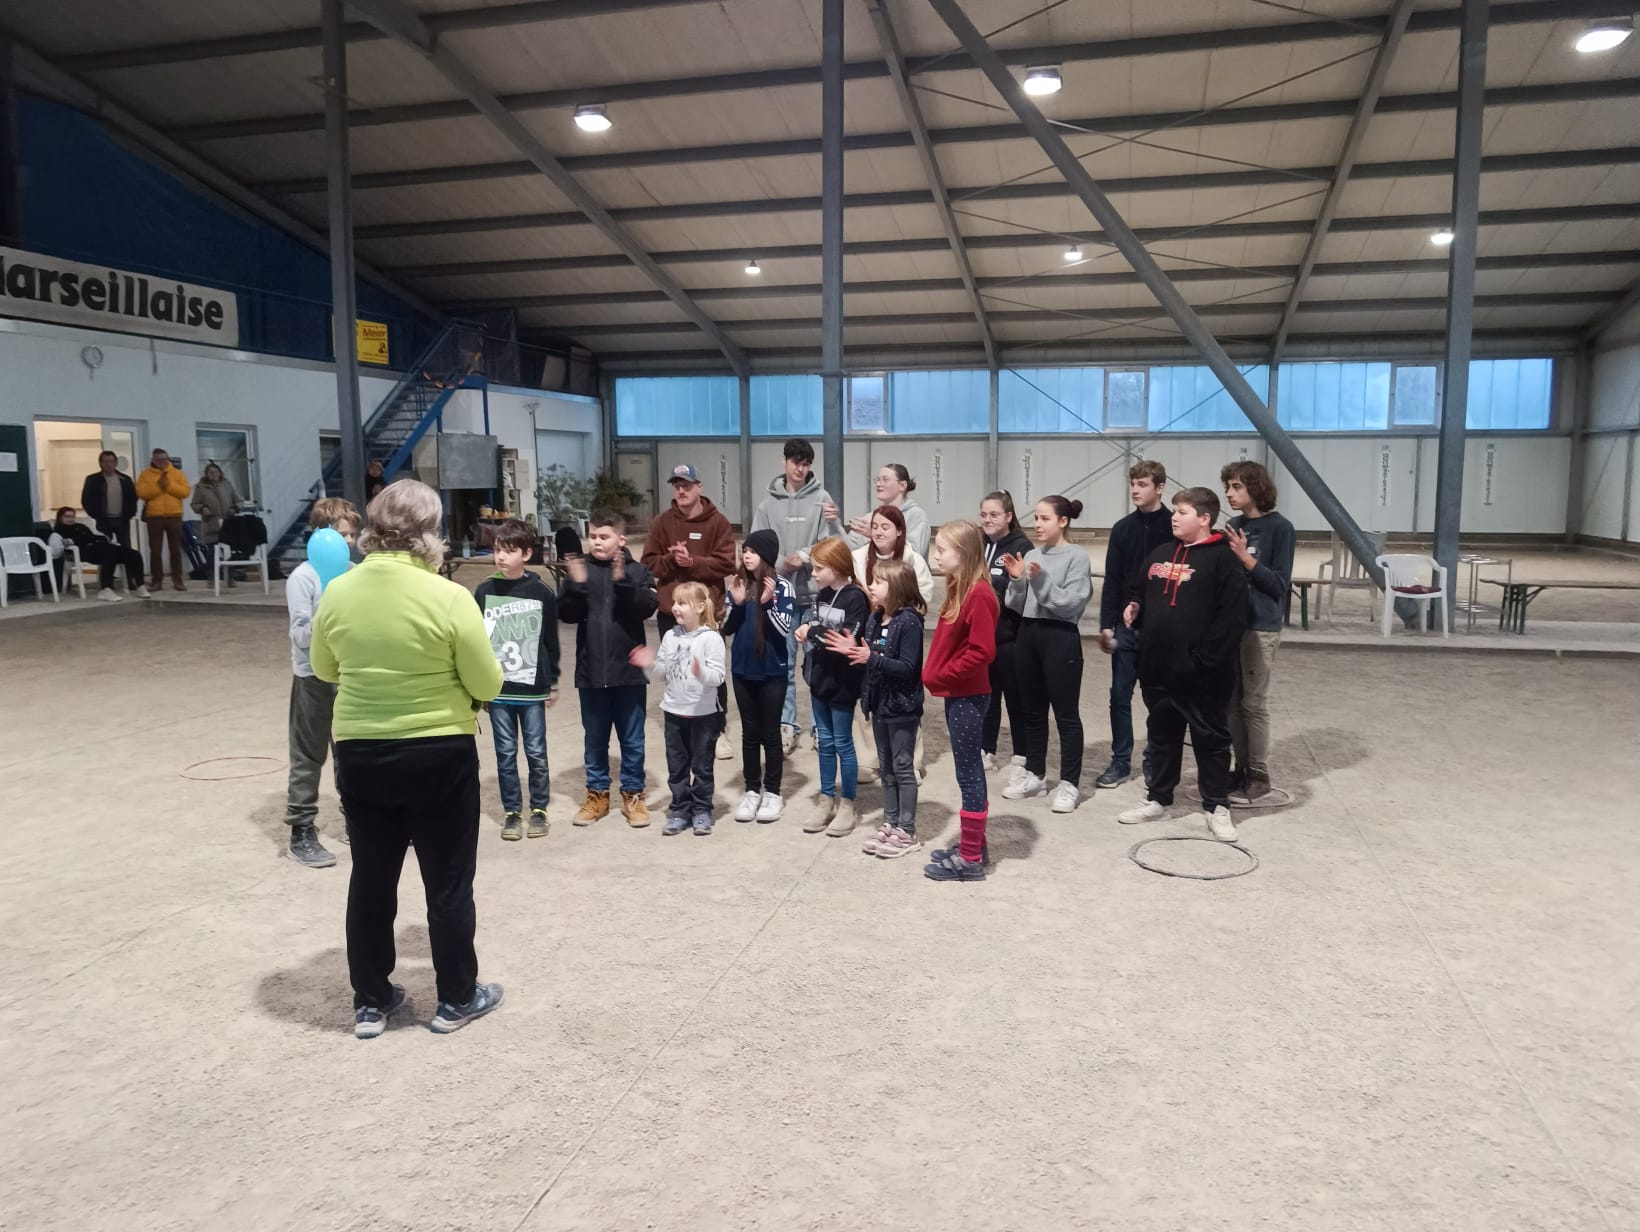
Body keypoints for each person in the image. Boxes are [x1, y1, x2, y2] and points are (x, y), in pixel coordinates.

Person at [309, 479, 506, 1038]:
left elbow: (324, 669)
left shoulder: (338, 592)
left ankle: (371, 1001)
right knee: (448, 881)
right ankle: (456, 998)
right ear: (430, 533)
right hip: (438, 752)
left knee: (372, 879)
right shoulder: (449, 597)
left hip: (361, 752)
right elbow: (487, 683)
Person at [1117, 487, 1249, 842]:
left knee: (1211, 740)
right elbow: (1138, 586)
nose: (1174, 517)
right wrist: (1135, 603)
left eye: (1182, 512)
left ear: (1205, 518)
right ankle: (1158, 798)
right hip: (1158, 668)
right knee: (1161, 737)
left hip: (1203, 675)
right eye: (1174, 511)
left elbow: (1232, 619)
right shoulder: (1161, 552)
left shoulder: (1224, 560)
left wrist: (1201, 662)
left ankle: (1216, 806)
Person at [558, 508, 659, 827]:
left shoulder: (638, 571)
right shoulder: (582, 571)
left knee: (632, 740)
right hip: (591, 673)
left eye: (604, 536)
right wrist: (576, 586)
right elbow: (567, 615)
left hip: (628, 674)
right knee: (594, 740)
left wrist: (623, 582)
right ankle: (597, 795)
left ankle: (633, 795)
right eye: (593, 536)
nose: (597, 542)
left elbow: (646, 607)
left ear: (621, 539)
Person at [750, 438, 846, 752]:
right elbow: (757, 546)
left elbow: (829, 543)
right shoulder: (767, 505)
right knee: (785, 665)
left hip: (816, 598)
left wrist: (804, 557)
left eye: (805, 464)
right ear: (785, 462)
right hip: (783, 598)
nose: (800, 469)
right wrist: (781, 565)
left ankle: (821, 728)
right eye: (795, 463)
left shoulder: (822, 499)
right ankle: (787, 725)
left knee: (819, 665)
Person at [1000, 495, 1093, 813]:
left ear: (1063, 521)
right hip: (1028, 635)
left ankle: (1069, 783)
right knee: (1032, 712)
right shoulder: (1032, 554)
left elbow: (1069, 604)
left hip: (1060, 637)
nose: (1037, 525)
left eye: (1045, 518)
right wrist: (1017, 580)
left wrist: (1040, 580)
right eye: (1036, 518)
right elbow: (1016, 604)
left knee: (1066, 715)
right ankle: (1035, 775)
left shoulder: (1077, 557)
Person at [283, 498, 361, 869]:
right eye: (342, 535)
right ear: (320, 536)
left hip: (349, 675)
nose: (349, 541)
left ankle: (356, 820)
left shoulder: (355, 572)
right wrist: (327, 615)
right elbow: (299, 635)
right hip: (312, 677)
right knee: (308, 753)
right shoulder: (303, 578)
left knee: (352, 751)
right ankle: (301, 829)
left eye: (352, 534)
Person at [920, 520, 999, 883]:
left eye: (942, 549)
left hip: (968, 695)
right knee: (968, 772)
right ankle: (975, 847)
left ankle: (970, 859)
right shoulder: (960, 588)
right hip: (959, 695)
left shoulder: (979, 594)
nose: (936, 555)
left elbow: (982, 651)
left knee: (969, 775)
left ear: (963, 553)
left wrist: (944, 674)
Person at [641, 462, 737, 760]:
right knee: (675, 670)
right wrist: (672, 561)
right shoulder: (662, 523)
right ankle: (681, 726)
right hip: (671, 613)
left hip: (707, 615)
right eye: (677, 486)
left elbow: (727, 564)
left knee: (712, 672)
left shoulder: (718, 523)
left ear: (699, 487)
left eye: (686, 485)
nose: (681, 490)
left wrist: (693, 562)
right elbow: (648, 564)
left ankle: (717, 731)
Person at [473, 519, 561, 842]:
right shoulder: (484, 591)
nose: (501, 556)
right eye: (498, 549)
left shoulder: (542, 592)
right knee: (505, 753)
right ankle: (512, 811)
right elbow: (476, 643)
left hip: (532, 690)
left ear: (526, 554)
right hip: (498, 691)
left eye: (509, 551)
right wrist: (479, 687)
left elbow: (550, 641)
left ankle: (539, 809)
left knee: (536, 752)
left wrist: (553, 682)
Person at [1094, 461, 1175, 790]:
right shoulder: (1122, 528)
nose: (1135, 490)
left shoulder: (1173, 526)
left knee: (1157, 699)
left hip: (1160, 628)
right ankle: (1120, 761)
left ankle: (1155, 760)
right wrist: (1106, 623)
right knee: (1119, 695)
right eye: (1133, 484)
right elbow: (1112, 578)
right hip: (1125, 627)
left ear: (1159, 488)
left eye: (1142, 484)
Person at [1221, 460, 1296, 803]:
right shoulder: (1233, 526)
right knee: (1232, 703)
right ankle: (1240, 768)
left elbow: (1279, 585)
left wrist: (1244, 557)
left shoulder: (1280, 528)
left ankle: (1259, 772)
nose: (1229, 493)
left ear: (1256, 488)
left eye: (1237, 486)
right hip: (1232, 626)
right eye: (1227, 486)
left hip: (1261, 625)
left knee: (1254, 703)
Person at [843, 559, 926, 861]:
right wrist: (853, 651)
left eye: (878, 582)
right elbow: (870, 657)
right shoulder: (875, 618)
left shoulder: (909, 622)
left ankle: (908, 830)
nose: (871, 586)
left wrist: (871, 658)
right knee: (886, 768)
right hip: (879, 704)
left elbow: (908, 667)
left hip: (902, 706)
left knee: (903, 768)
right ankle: (890, 822)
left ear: (897, 587)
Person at [631, 581, 727, 837]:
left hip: (703, 715)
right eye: (674, 602)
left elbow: (718, 677)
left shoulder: (711, 638)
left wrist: (701, 672)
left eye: (682, 603)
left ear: (700, 607)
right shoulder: (670, 636)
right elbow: (661, 673)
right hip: (673, 712)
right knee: (677, 767)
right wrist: (648, 664)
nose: (675, 607)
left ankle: (702, 809)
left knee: (702, 766)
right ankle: (680, 810)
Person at [849, 504, 932, 782]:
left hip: (900, 631)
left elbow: (924, 596)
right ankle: (869, 760)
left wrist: (894, 608)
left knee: (904, 697)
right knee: (869, 693)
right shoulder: (858, 557)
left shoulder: (913, 558)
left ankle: (911, 761)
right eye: (875, 526)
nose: (879, 532)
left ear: (899, 531)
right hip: (868, 630)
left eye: (885, 527)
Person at [793, 537, 869, 838]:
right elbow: (820, 630)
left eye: (818, 568)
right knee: (824, 742)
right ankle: (826, 799)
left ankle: (848, 803)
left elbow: (843, 638)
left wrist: (812, 630)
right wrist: (813, 631)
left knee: (842, 742)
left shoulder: (856, 598)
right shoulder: (822, 594)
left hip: (843, 682)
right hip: (820, 678)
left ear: (837, 567)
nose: (813, 573)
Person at [722, 530, 795, 824]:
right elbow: (727, 628)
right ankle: (752, 790)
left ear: (765, 555)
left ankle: (773, 792)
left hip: (772, 671)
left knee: (770, 733)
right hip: (742, 670)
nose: (746, 556)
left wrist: (766, 603)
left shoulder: (782, 587)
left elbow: (783, 629)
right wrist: (739, 604)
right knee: (749, 733)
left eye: (752, 551)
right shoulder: (738, 584)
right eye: (744, 551)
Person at [979, 490, 1031, 774]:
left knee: (1015, 697)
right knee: (987, 696)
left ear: (1009, 516)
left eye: (994, 514)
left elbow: (1022, 592)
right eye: (984, 514)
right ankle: (987, 749)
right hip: (983, 636)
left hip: (1011, 637)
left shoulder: (1021, 546)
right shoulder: (979, 544)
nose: (987, 520)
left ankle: (1021, 755)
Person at [50, 507, 149, 601]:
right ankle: (106, 589)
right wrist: (71, 542)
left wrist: (105, 539)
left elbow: (93, 536)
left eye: (72, 517)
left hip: (100, 546)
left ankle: (140, 585)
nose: (70, 519)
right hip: (85, 551)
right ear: (60, 517)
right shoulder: (59, 532)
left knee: (134, 554)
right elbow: (57, 549)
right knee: (109, 555)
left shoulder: (80, 526)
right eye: (67, 517)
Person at [79, 450, 140, 594]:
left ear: (116, 463)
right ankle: (107, 582)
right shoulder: (93, 480)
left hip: (122, 520)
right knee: (106, 551)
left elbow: (133, 499)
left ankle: (130, 579)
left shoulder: (125, 479)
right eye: (105, 461)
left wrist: (129, 514)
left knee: (126, 549)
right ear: (100, 463)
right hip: (103, 521)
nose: (108, 464)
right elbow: (86, 499)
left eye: (111, 461)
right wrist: (96, 515)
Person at [846, 463, 929, 559]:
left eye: (885, 480)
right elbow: (846, 550)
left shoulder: (916, 515)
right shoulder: (871, 516)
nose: (878, 484)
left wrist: (875, 534)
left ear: (902, 485)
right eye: (877, 480)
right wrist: (835, 524)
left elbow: (915, 555)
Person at [135, 448, 191, 592]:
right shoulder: (145, 474)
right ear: (153, 460)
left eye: (165, 459)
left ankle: (178, 580)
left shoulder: (177, 474)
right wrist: (159, 486)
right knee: (155, 550)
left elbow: (185, 492)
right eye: (159, 459)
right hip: (154, 516)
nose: (162, 462)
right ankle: (157, 580)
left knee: (175, 549)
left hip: (174, 515)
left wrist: (169, 485)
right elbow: (141, 493)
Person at [190, 461, 239, 547]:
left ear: (220, 473)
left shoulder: (227, 485)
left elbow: (238, 501)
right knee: (212, 552)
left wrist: (235, 509)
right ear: (207, 474)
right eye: (211, 472)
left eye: (216, 472)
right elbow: (194, 504)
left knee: (229, 552)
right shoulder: (200, 487)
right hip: (211, 526)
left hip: (228, 524)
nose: (214, 474)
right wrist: (202, 508)